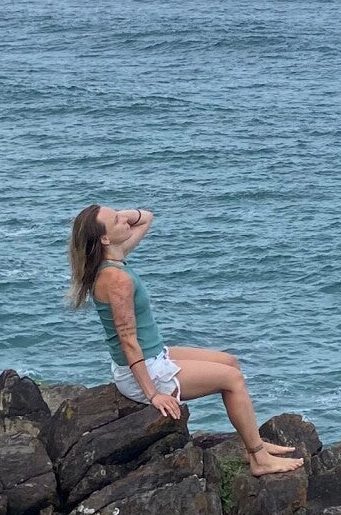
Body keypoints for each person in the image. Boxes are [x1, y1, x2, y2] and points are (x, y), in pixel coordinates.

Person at [69, 204, 302, 476]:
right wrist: (153, 394)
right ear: (105, 239)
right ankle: (259, 458)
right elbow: (128, 341)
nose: (124, 219)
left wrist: (119, 217)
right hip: (144, 371)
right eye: (116, 220)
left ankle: (253, 442)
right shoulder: (116, 279)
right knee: (232, 379)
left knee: (229, 362)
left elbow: (146, 218)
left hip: (153, 355)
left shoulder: (114, 259)